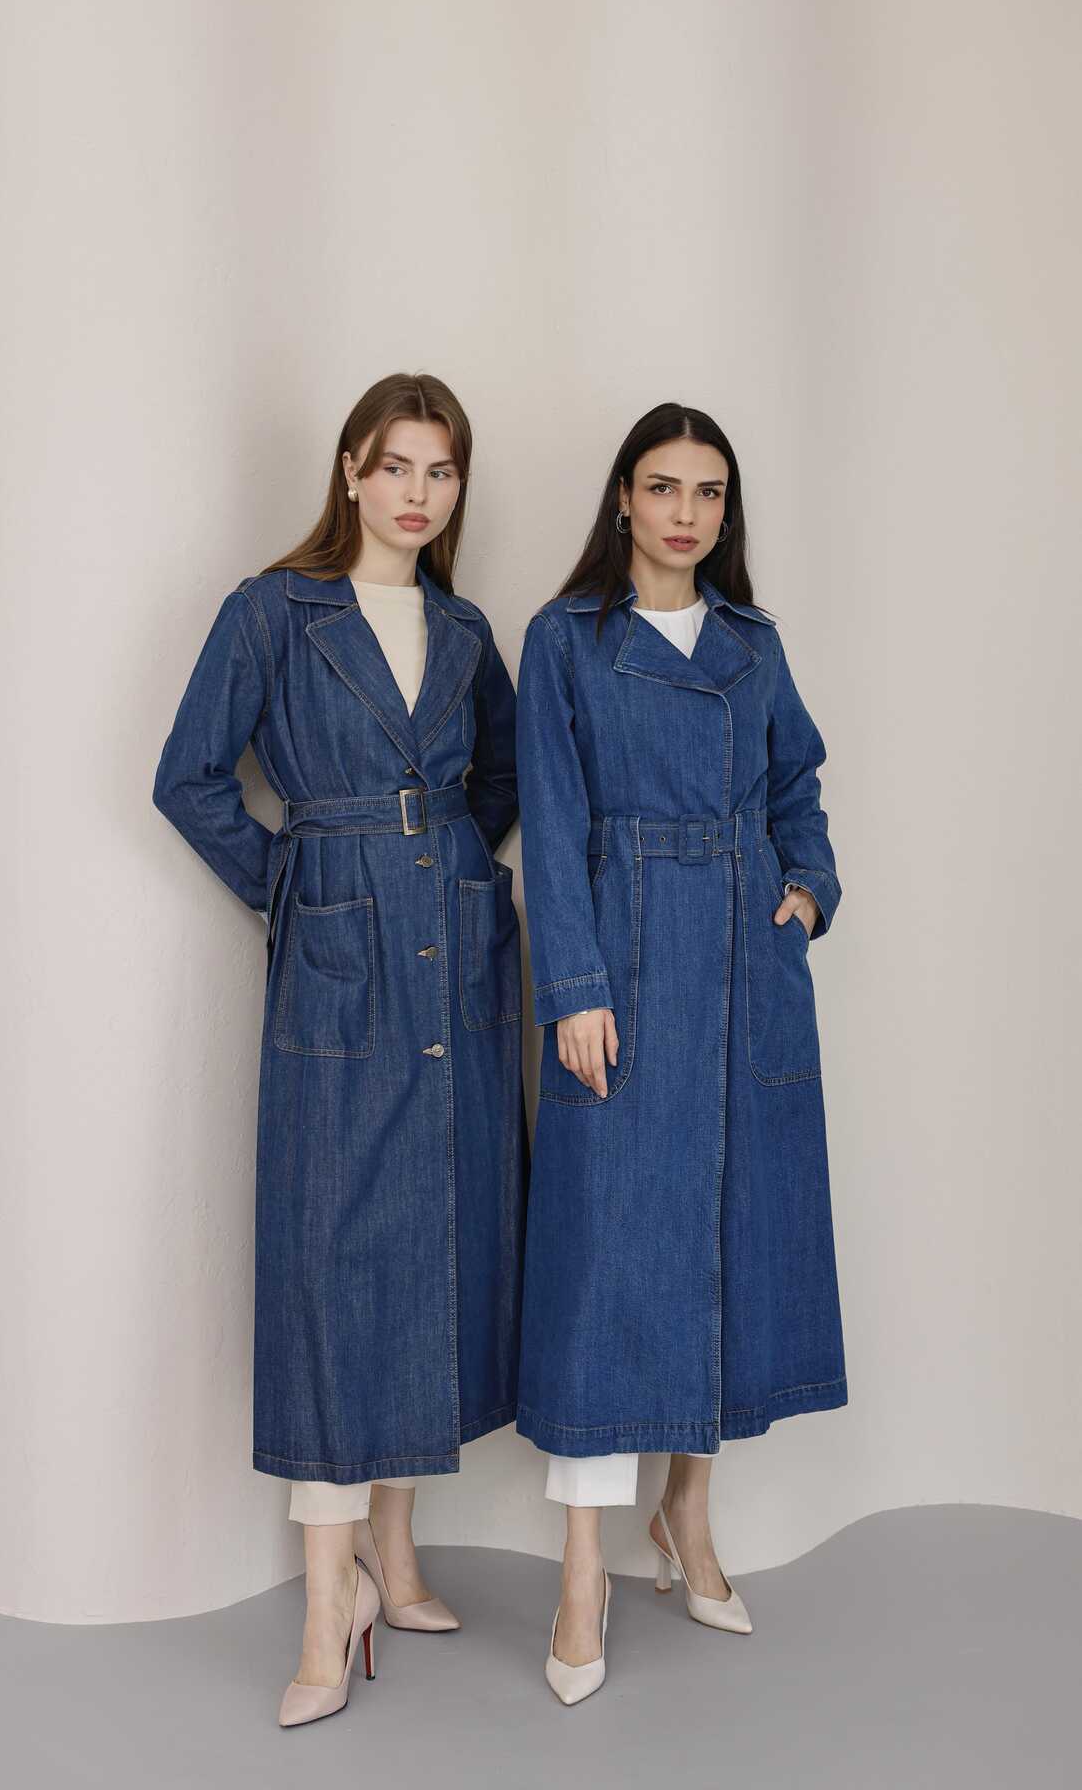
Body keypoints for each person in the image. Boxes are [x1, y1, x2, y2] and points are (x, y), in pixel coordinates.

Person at [153, 372, 528, 1727]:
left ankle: (398, 1554)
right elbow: (188, 776)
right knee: (330, 1256)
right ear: (352, 471)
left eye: (443, 471)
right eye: (397, 466)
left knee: (437, 1237)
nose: (418, 494)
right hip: (338, 956)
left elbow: (499, 784)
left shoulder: (468, 631)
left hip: (455, 955)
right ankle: (329, 1609)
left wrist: (453, 881)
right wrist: (296, 885)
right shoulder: (274, 612)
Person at [514, 402, 846, 1705]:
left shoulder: (754, 645)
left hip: (746, 970)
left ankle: (688, 1517)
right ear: (623, 499)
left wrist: (805, 892)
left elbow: (796, 782)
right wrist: (574, 985)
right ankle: (581, 1571)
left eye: (708, 492)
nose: (685, 513)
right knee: (607, 1265)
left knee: (727, 1245)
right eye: (663, 487)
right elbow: (551, 818)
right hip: (627, 959)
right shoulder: (566, 640)